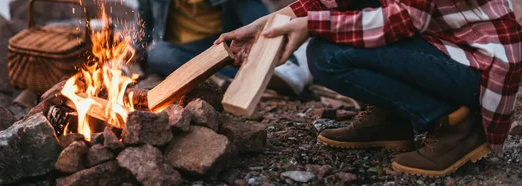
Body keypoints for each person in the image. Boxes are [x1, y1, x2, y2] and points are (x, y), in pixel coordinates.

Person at [215, 0, 522, 177]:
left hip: (479, 64)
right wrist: (265, 24)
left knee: (328, 55)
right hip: (441, 47)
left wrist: (313, 25)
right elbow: (334, 2)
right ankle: (393, 119)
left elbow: (403, 20)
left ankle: (454, 122)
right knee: (330, 43)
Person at [137, 0, 312, 95]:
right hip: (186, 53)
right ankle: (250, 75)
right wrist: (131, 56)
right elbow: (143, 27)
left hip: (226, 43)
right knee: (157, 52)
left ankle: (286, 63)